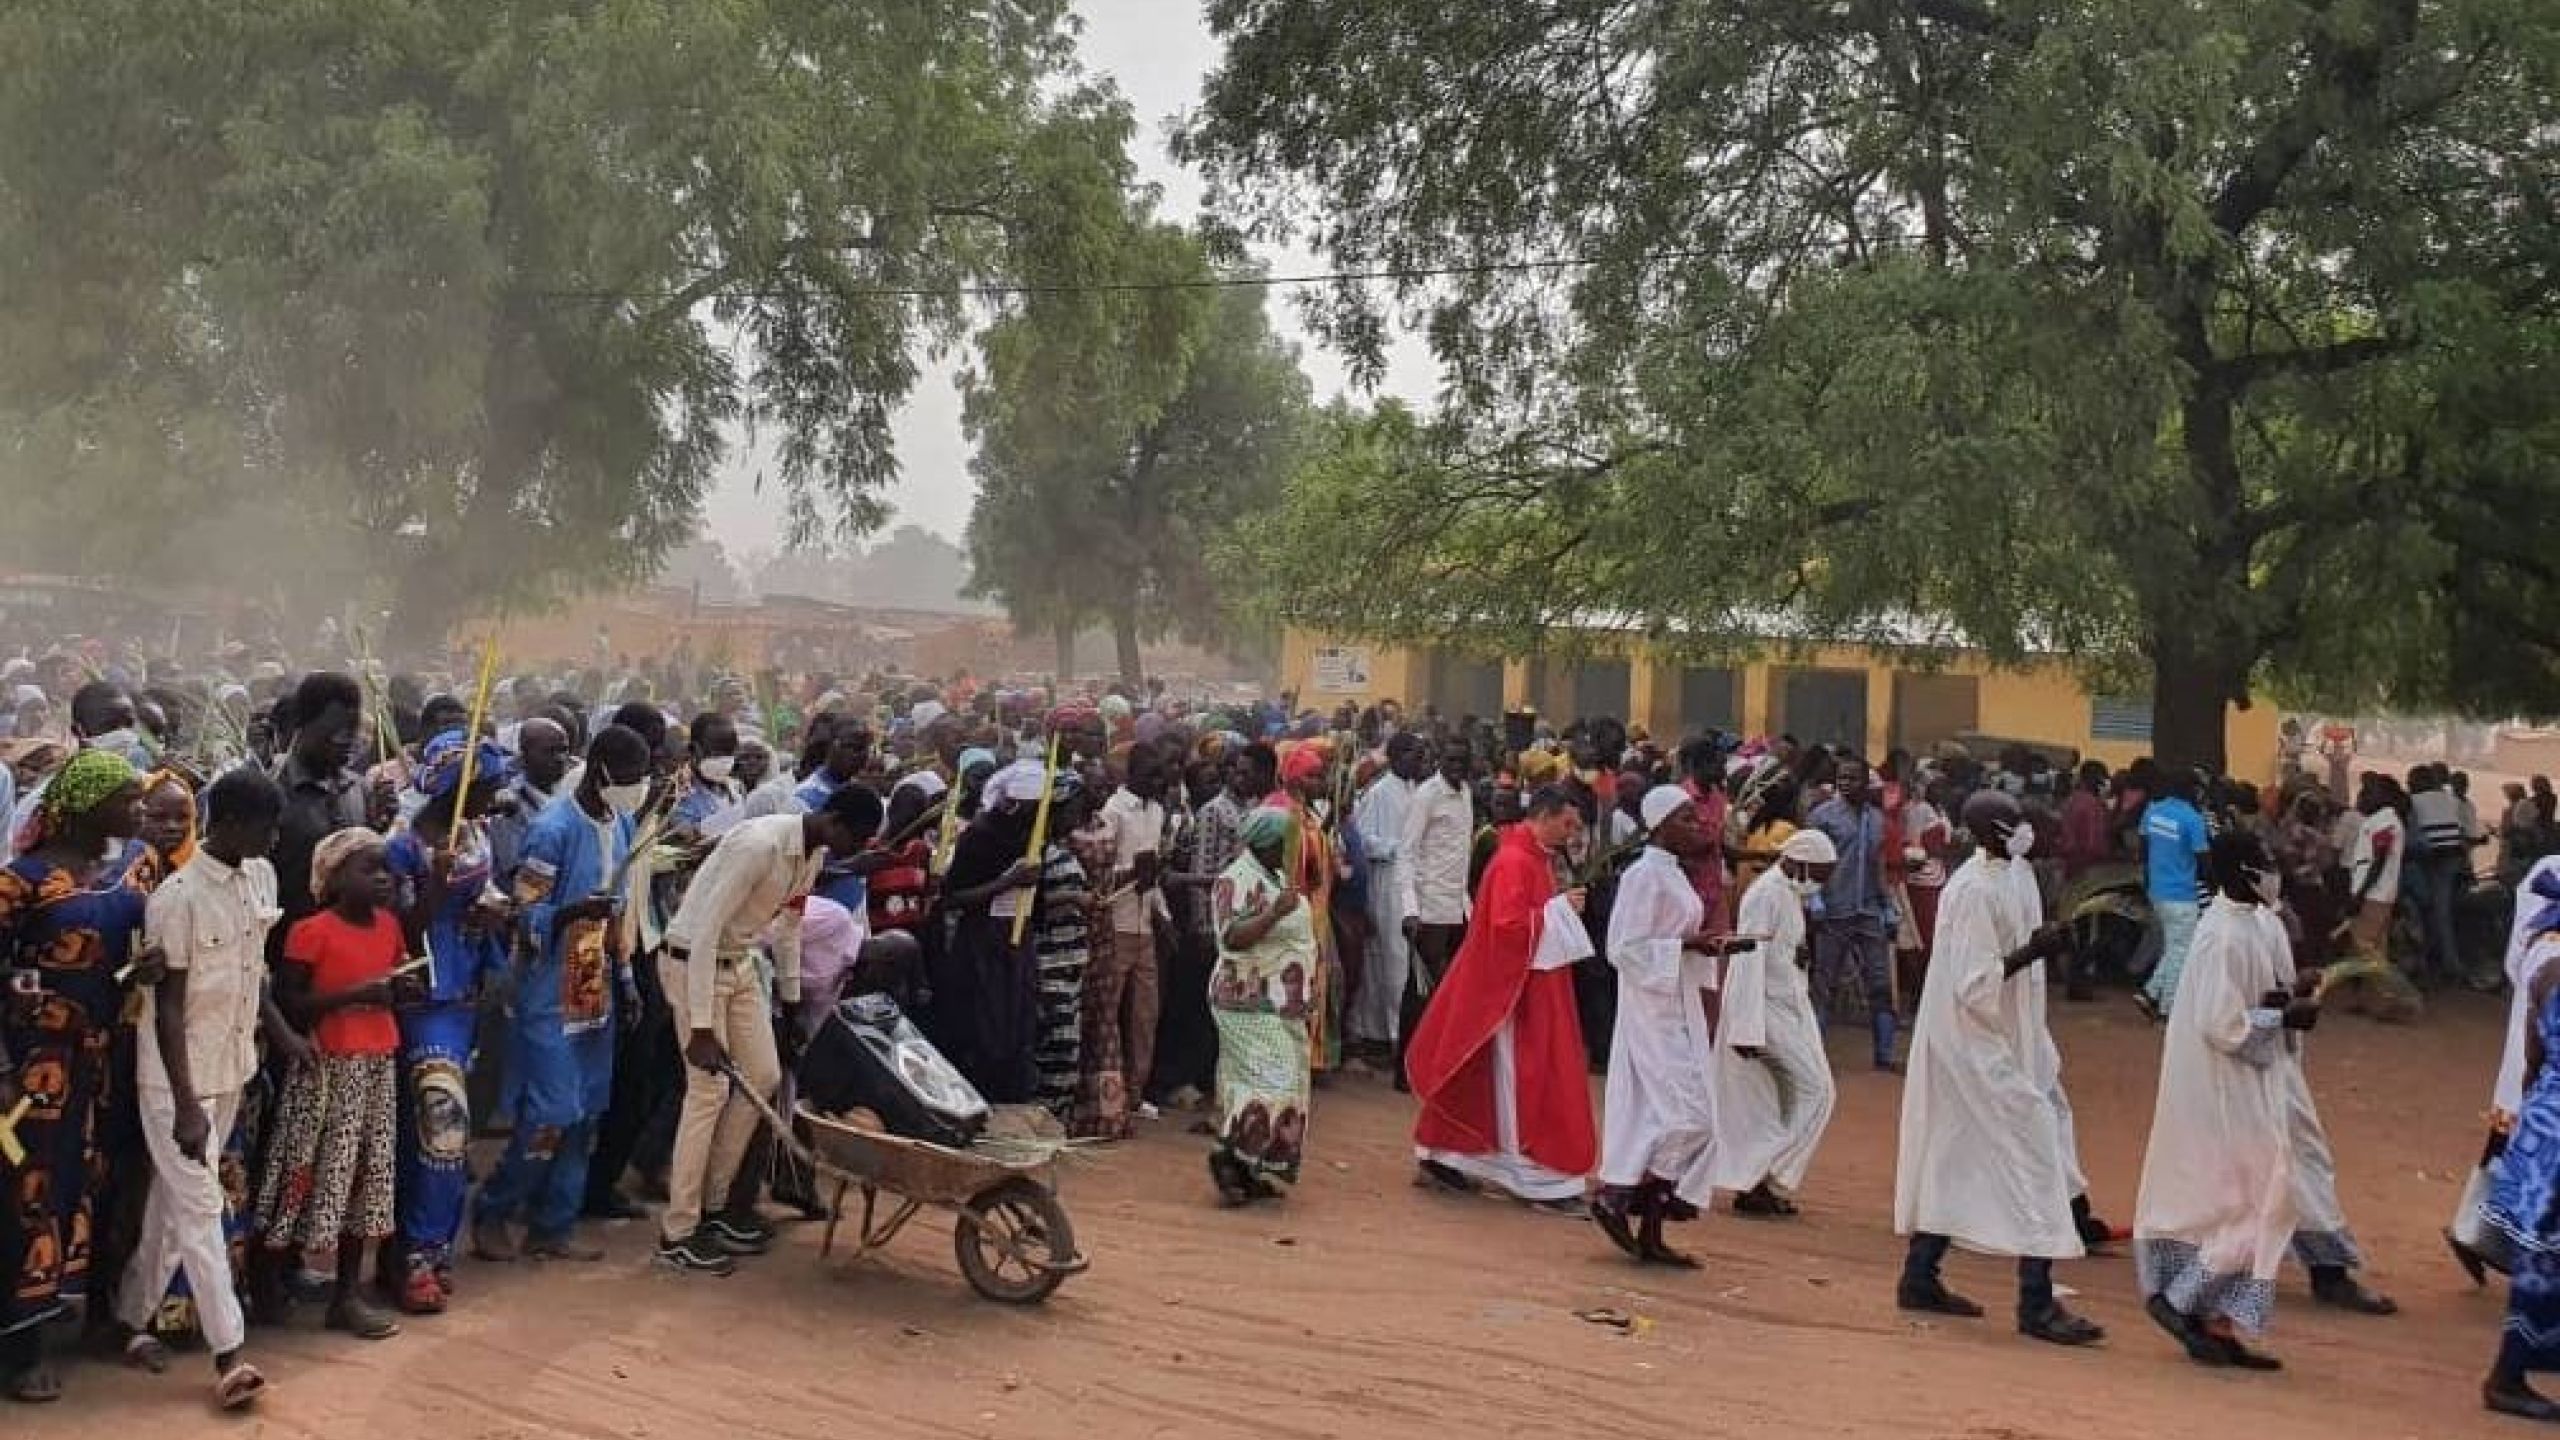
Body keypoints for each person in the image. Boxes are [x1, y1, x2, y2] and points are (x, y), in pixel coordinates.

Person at [1893, 788, 2104, 1347]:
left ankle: (1920, 1274)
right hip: (1973, 1043)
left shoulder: (2016, 874)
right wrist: (2037, 952)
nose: (2024, 831)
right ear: (1985, 833)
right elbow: (1975, 985)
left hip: (2016, 1037)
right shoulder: (1969, 893)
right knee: (2035, 1153)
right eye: (2010, 824)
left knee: (1957, 1150)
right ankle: (2037, 1301)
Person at [654, 786, 883, 1275]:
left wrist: (795, 999)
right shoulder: (760, 845)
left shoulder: (811, 856)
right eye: (855, 837)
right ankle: (678, 1231)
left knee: (763, 1075)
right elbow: (704, 931)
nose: (856, 850)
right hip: (693, 964)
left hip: (737, 967)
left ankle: (716, 1209)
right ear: (833, 818)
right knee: (707, 1093)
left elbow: (787, 930)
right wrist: (699, 1027)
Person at [117, 768, 289, 1408]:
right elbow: (167, 1008)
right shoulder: (178, 898)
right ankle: (230, 1353)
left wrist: (283, 1036)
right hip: (176, 1083)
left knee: (171, 1205)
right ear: (234, 824)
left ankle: (129, 1316)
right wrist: (186, 1107)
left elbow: (255, 973)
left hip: (230, 1069)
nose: (275, 838)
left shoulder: (259, 878)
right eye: (268, 827)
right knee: (201, 1207)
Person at [0, 752, 160, 1403]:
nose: (139, 811)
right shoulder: (22, 881)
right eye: (128, 798)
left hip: (107, 1060)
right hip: (35, 1067)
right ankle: (21, 1347)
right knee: (27, 1195)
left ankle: (87, 1318)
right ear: (90, 803)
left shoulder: (134, 868)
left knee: (94, 1186)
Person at [2133, 830, 2314, 1370]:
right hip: (2221, 1085)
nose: (2272, 873)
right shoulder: (2222, 934)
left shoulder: (2255, 923)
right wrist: (2283, 1017)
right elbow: (2221, 1022)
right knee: (2258, 1195)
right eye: (2264, 863)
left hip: (2251, 1081)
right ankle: (2180, 1301)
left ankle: (2216, 1323)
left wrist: (2287, 997)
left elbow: (2254, 995)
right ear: (2238, 872)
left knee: (2252, 1196)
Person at [472, 725, 652, 1263]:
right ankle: (496, 1206)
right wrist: (571, 914)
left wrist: (626, 981)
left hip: (594, 985)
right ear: (600, 772)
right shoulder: (551, 831)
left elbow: (619, 915)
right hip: (548, 990)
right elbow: (520, 914)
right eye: (629, 779)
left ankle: (554, 1222)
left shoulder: (620, 823)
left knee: (585, 1114)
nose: (636, 788)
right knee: (550, 1113)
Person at [1406, 785, 1596, 1212]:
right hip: (1510, 996)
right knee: (1519, 1080)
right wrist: (1560, 909)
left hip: (1525, 987)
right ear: (1544, 815)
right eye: (1567, 824)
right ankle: (1535, 1177)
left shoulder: (1532, 858)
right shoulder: (1513, 861)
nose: (1570, 834)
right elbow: (1507, 930)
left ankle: (1446, 1157)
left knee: (1488, 1078)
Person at [252, 828, 406, 1344]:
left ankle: (346, 1295)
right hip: (326, 1068)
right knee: (301, 1168)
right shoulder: (310, 931)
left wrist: (397, 991)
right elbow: (290, 1002)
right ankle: (267, 1279)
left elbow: (395, 980)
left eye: (386, 868)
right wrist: (356, 994)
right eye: (369, 869)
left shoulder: (389, 926)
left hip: (377, 1062)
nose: (383, 879)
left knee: (367, 1173)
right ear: (334, 877)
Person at [382, 730, 516, 1312]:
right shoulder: (403, 848)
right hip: (423, 1001)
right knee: (441, 1122)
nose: (495, 795)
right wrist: (437, 882)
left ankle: (431, 1246)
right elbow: (401, 930)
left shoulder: (476, 833)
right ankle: (412, 1253)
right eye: (486, 785)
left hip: (466, 994)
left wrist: (493, 917)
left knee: (443, 1135)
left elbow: (482, 898)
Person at [1591, 787, 1734, 1265]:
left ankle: (1651, 1226)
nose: (1698, 827)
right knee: (1684, 1117)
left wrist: (1705, 947)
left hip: (1679, 1003)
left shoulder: (1674, 874)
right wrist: (1687, 947)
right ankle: (1616, 1195)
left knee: (1692, 1118)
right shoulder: (1643, 877)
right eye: (1686, 820)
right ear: (1660, 826)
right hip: (1651, 1010)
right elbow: (1623, 948)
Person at [1712, 828, 1839, 1219]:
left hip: (1787, 1006)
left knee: (1795, 1096)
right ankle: (1765, 1176)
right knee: (1818, 1091)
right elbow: (1748, 960)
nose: (1821, 882)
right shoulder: (1766, 894)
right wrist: (1745, 1028)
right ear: (1798, 862)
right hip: (1764, 1011)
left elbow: (1778, 950)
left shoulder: (1787, 893)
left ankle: (1763, 1181)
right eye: (1819, 872)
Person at [1204, 807, 1317, 1205]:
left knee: (1277, 1084)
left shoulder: (1278, 878)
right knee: (1273, 1080)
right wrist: (1273, 913)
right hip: (1245, 1000)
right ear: (1272, 842)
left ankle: (1249, 1167)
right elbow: (1232, 937)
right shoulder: (1234, 879)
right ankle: (1228, 1158)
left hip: (1281, 1002)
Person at [2481, 912, 2560, 1420]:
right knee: (2542, 1264)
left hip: (2545, 1122)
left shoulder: (2547, 961)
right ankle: (2507, 1376)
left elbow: (2533, 1056)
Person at [1075, 747, 1168, 1139]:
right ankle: (1103, 1099)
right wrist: (1135, 875)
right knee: (1108, 1016)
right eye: (1150, 774)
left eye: (1160, 775)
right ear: (1132, 773)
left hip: (1145, 922)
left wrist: (1164, 916)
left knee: (1145, 1016)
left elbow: (1154, 875)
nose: (1158, 782)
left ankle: (1134, 1092)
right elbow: (1098, 872)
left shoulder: (1157, 811)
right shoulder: (1114, 812)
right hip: (1114, 923)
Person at [1807, 755, 1898, 1071]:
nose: (1846, 784)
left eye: (1853, 778)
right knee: (1825, 982)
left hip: (1869, 908)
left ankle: (1884, 1055)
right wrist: (1814, 897)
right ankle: (1816, 1055)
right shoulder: (1822, 817)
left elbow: (1878, 864)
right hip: (1834, 909)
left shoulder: (1876, 819)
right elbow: (1811, 860)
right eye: (1841, 778)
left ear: (1865, 782)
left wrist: (1888, 905)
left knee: (1880, 982)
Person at [1396, 738, 1475, 1090]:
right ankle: (1406, 1071)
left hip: (1456, 909)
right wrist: (1410, 909)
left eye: (1463, 760)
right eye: (1451, 759)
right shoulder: (1426, 796)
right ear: (1439, 759)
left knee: (1451, 995)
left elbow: (1459, 856)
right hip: (1427, 911)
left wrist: (1468, 908)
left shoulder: (1467, 794)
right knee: (1418, 995)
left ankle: (1437, 1068)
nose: (1457, 766)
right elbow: (1407, 855)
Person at [1351, 734, 1427, 1063]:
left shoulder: (1417, 790)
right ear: (1396, 756)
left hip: (1412, 881)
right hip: (1386, 880)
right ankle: (1392, 1036)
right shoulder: (1379, 792)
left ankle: (1397, 1032)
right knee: (1389, 958)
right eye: (1413, 754)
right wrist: (1397, 849)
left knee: (1405, 961)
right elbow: (1364, 840)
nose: (1419, 762)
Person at [2136, 769, 2213, 1021]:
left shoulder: (2152, 811)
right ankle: (2168, 1008)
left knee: (2174, 948)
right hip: (2182, 893)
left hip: (2156, 890)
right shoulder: (2193, 820)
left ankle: (2150, 993)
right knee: (2181, 951)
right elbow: (2203, 862)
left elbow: (2144, 850)